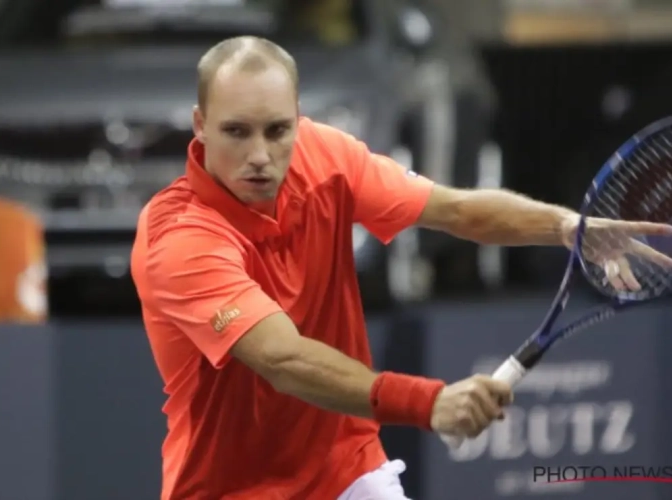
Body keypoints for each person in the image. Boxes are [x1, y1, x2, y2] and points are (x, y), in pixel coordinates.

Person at [130, 36, 672, 500]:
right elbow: (282, 358)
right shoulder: (180, 237)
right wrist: (429, 401)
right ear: (200, 126)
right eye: (236, 132)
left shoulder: (326, 156)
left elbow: (456, 209)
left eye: (277, 130)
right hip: (228, 487)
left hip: (347, 469)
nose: (259, 154)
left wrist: (564, 226)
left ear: (298, 119)